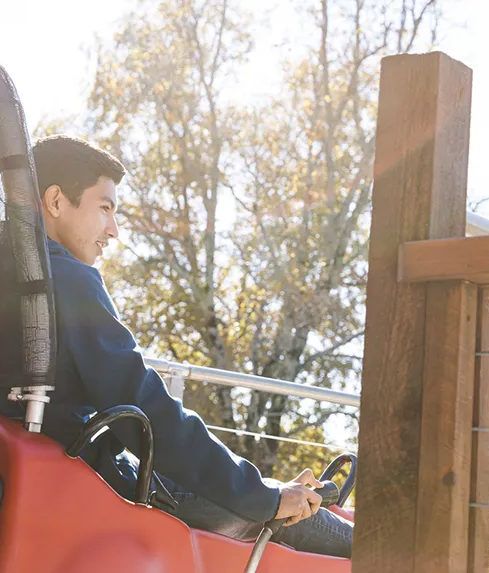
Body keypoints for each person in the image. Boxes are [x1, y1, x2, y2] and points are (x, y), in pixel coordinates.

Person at [29, 134, 353, 558]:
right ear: (55, 201)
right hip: (92, 479)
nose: (114, 230)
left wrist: (262, 489)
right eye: (105, 208)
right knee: (316, 525)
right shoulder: (69, 280)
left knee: (271, 494)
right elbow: (144, 410)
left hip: (26, 457)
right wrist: (266, 499)